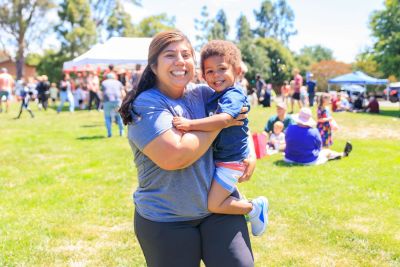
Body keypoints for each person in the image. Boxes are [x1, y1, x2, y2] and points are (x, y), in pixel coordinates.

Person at [118, 30, 256, 267]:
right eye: (170, 55)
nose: (180, 61)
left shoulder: (204, 94)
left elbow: (239, 118)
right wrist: (221, 123)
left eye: (186, 54)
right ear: (153, 66)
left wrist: (249, 149)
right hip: (166, 218)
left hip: (217, 211)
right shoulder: (147, 104)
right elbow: (175, 156)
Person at [172, 40, 268, 236]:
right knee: (216, 196)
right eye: (209, 71)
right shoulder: (215, 95)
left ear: (237, 70)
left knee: (214, 204)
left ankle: (254, 208)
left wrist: (190, 125)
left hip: (231, 161)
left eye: (222, 69)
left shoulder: (233, 95)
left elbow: (224, 119)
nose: (216, 75)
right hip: (223, 159)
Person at [284, 107, 352, 165]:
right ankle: (342, 154)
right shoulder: (314, 131)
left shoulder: (290, 128)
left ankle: (338, 155)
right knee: (326, 151)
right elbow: (319, 146)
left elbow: (287, 140)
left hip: (289, 158)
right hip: (308, 160)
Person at [101, 73, 124, 137]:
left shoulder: (104, 83)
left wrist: (102, 102)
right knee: (119, 116)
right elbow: (123, 93)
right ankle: (121, 131)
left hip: (107, 101)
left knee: (107, 117)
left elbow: (102, 93)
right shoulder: (118, 82)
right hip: (117, 100)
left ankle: (109, 133)